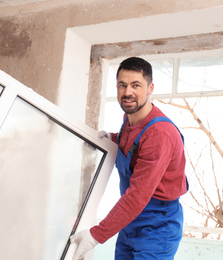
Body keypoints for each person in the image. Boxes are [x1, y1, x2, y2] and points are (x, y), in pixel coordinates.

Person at [70, 57, 188, 260]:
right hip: (130, 219)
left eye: (136, 85)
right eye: (122, 85)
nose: (127, 92)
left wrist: (96, 235)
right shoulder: (129, 119)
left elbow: (137, 196)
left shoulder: (160, 135)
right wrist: (111, 139)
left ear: (150, 88)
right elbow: (134, 149)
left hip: (158, 226)